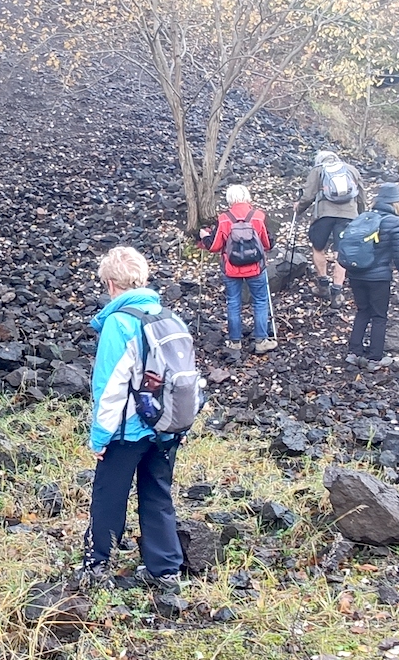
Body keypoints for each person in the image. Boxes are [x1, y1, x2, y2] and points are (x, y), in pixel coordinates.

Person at [81, 246, 183, 593]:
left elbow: (109, 386)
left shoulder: (118, 323)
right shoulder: (168, 317)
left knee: (110, 494)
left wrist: (99, 438)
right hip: (167, 425)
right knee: (157, 493)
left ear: (110, 284)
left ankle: (98, 563)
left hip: (128, 430)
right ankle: (166, 570)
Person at [198, 184, 277, 355]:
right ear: (247, 197)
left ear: (229, 199)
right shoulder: (258, 216)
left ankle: (235, 343)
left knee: (233, 302)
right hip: (256, 268)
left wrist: (204, 237)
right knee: (260, 301)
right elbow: (267, 244)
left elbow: (215, 246)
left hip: (231, 269)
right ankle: (261, 340)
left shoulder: (224, 219)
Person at [344, 183, 399, 370]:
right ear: (397, 203)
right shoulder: (394, 222)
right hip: (378, 277)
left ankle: (354, 353)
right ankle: (375, 358)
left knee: (362, 311)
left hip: (356, 273)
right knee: (379, 316)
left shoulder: (363, 217)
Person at [294, 150, 367, 309]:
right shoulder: (351, 169)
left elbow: (308, 195)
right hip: (348, 216)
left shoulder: (318, 170)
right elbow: (361, 195)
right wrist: (361, 215)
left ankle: (323, 285)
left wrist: (299, 208)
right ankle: (337, 292)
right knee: (342, 252)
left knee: (318, 248)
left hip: (324, 216)